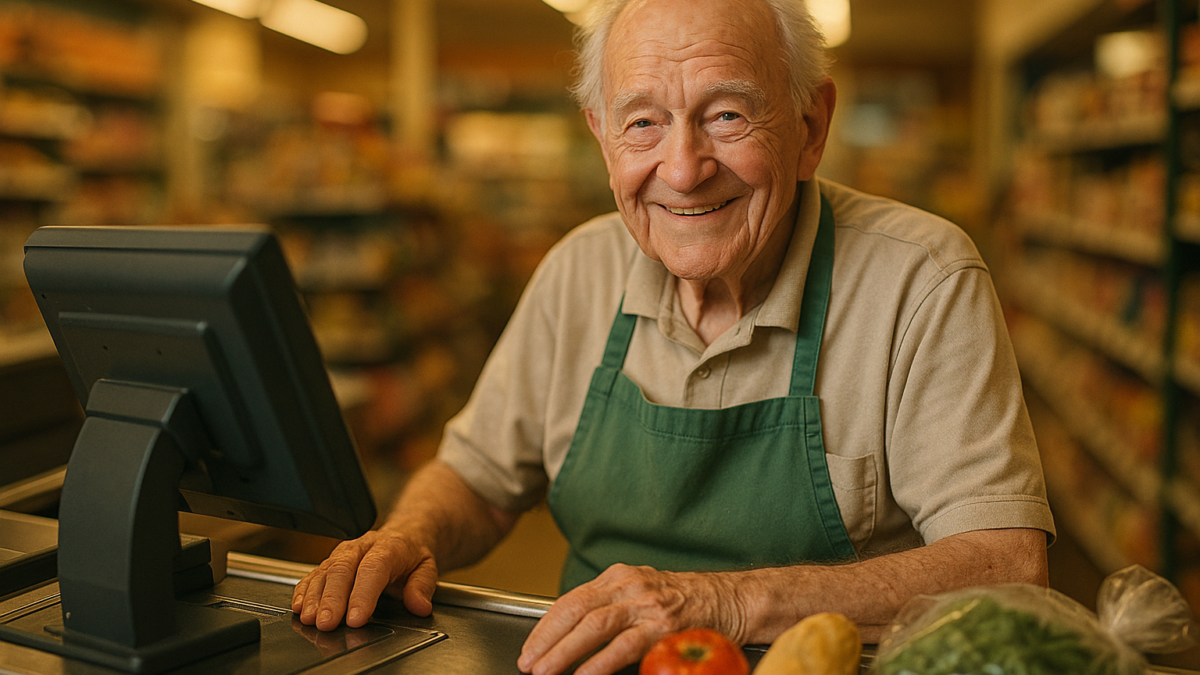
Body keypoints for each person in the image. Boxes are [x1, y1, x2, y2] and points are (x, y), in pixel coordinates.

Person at [292, 0, 1056, 673]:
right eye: (643, 122)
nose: (683, 169)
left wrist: (722, 602)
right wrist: (408, 533)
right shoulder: (577, 272)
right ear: (602, 137)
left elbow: (1008, 565)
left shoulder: (920, 281)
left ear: (810, 126)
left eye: (726, 114)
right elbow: (481, 472)